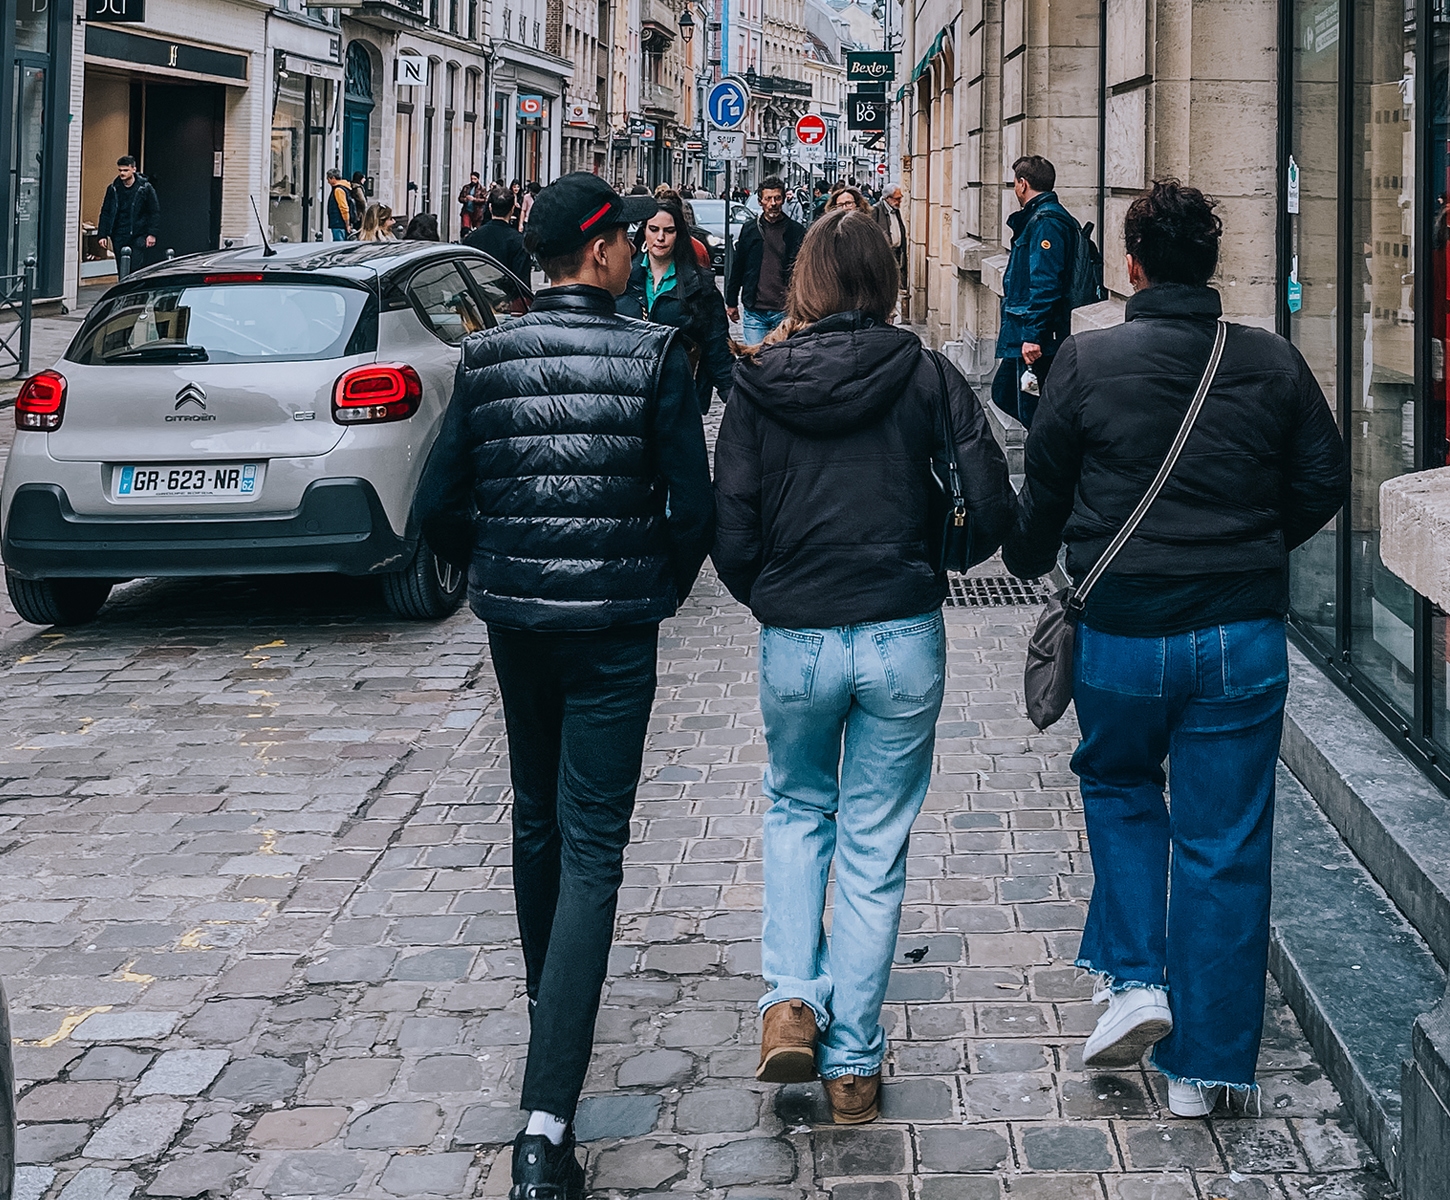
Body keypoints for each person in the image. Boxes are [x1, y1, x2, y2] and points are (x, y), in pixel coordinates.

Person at [1002, 180, 1348, 1118]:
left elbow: (1043, 499)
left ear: (1132, 264)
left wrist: (1027, 552)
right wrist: (1251, 550)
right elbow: (1327, 477)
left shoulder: (1086, 360)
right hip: (1241, 635)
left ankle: (1137, 980)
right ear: (1213, 263)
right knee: (1224, 842)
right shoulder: (1271, 362)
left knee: (1118, 785)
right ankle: (1203, 1072)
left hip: (1122, 632)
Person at [415, 172, 713, 1200]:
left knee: (537, 817)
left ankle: (558, 1010)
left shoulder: (485, 354)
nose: (637, 250)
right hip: (614, 632)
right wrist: (651, 589)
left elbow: (438, 507)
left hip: (520, 624)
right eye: (627, 238)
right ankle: (545, 1124)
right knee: (592, 844)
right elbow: (694, 510)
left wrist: (499, 563)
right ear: (596, 251)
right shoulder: (652, 353)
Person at [713, 208, 1015, 1124]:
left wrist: (775, 591)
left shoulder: (759, 382)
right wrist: (942, 561)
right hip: (900, 632)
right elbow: (994, 508)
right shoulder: (925, 375)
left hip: (798, 636)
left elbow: (730, 534)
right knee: (874, 845)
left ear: (801, 280)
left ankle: (790, 1003)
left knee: (799, 809)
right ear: (885, 280)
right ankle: (852, 1066)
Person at [618, 198, 735, 411]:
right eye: (654, 229)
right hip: (629, 395)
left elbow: (717, 349)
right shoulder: (622, 279)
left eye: (669, 231)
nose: (660, 238)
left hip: (679, 398)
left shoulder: (700, 285)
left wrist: (737, 402)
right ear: (644, 231)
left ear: (678, 234)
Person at [995, 155, 1077, 427]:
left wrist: (1033, 335)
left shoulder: (1046, 222)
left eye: (1015, 183)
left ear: (1022, 184)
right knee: (1004, 392)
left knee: (1035, 415)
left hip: (1038, 337)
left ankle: (1046, 465)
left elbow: (1045, 282)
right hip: (1025, 330)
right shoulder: (1037, 218)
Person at [724, 177, 801, 345]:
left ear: (783, 200)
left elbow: (803, 270)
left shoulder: (796, 230)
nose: (773, 203)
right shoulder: (750, 229)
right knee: (755, 359)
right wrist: (731, 301)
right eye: (768, 198)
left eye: (777, 198)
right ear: (761, 202)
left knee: (782, 361)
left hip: (785, 310)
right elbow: (738, 266)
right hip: (755, 310)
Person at [97, 155, 160, 277]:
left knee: (135, 268)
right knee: (122, 268)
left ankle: (134, 294)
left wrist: (151, 234)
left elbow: (154, 211)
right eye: (120, 170)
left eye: (125, 170)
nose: (122, 173)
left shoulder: (145, 188)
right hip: (118, 233)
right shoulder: (113, 188)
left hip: (138, 233)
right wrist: (102, 234)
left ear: (134, 169)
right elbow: (105, 211)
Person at [467, 188, 533, 283]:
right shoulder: (519, 242)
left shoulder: (472, 238)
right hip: (505, 295)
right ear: (512, 209)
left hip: (477, 293)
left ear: (490, 208)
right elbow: (522, 283)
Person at [872, 184, 907, 275]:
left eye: (900, 198)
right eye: (897, 199)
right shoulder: (876, 210)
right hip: (884, 255)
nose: (900, 201)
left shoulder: (895, 210)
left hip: (897, 253)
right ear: (888, 198)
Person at [326, 169, 357, 241]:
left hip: (338, 223)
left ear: (333, 178)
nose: (328, 182)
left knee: (339, 244)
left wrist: (347, 223)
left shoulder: (338, 190)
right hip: (340, 223)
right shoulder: (345, 188)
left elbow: (343, 207)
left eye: (328, 179)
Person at [459, 172, 487, 238]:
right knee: (466, 227)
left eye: (475, 179)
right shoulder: (466, 187)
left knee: (476, 230)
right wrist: (465, 199)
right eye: (472, 179)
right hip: (467, 210)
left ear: (478, 179)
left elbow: (484, 200)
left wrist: (474, 199)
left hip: (477, 212)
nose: (473, 180)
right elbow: (460, 198)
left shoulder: (481, 189)